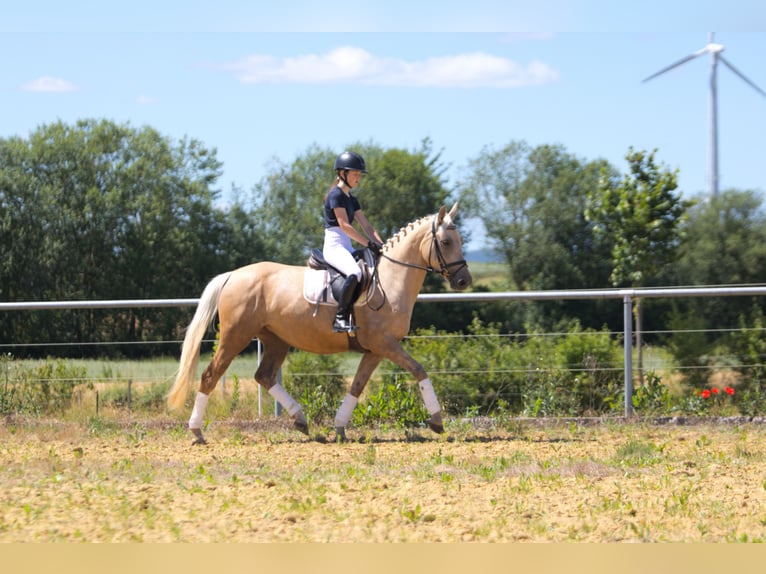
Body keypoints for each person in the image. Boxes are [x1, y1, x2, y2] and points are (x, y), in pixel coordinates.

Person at [323, 151, 383, 332]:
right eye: (355, 174)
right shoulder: (335, 195)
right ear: (342, 174)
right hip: (334, 246)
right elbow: (344, 226)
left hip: (346, 245)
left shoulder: (352, 199)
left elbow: (366, 225)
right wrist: (367, 244)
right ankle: (340, 318)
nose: (358, 178)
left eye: (359, 174)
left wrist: (381, 245)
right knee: (355, 273)